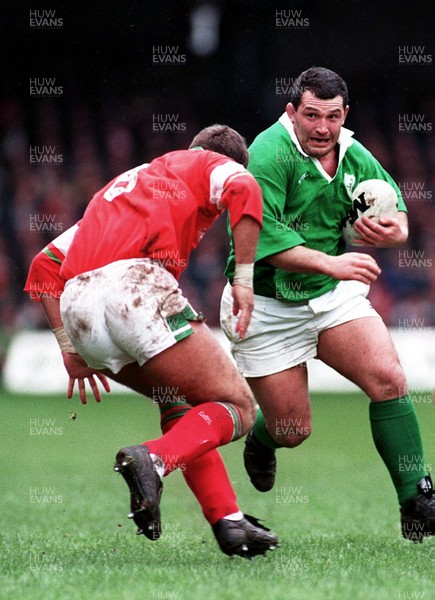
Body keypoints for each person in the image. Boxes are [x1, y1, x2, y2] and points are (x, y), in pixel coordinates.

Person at [24, 124, 279, 558]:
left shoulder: (128, 187)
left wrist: (69, 348)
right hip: (133, 288)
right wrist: (245, 279)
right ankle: (153, 460)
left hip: (78, 306)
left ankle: (229, 522)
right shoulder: (207, 163)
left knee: (179, 403)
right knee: (238, 406)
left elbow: (44, 265)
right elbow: (244, 187)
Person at [220, 68, 434, 543]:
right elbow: (262, 238)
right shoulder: (267, 155)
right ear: (292, 111)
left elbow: (394, 204)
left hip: (330, 297)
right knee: (293, 429)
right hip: (267, 304)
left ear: (345, 115)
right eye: (312, 115)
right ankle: (262, 440)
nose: (322, 128)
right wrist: (333, 264)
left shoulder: (352, 150)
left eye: (332, 117)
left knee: (389, 379)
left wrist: (396, 228)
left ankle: (416, 496)